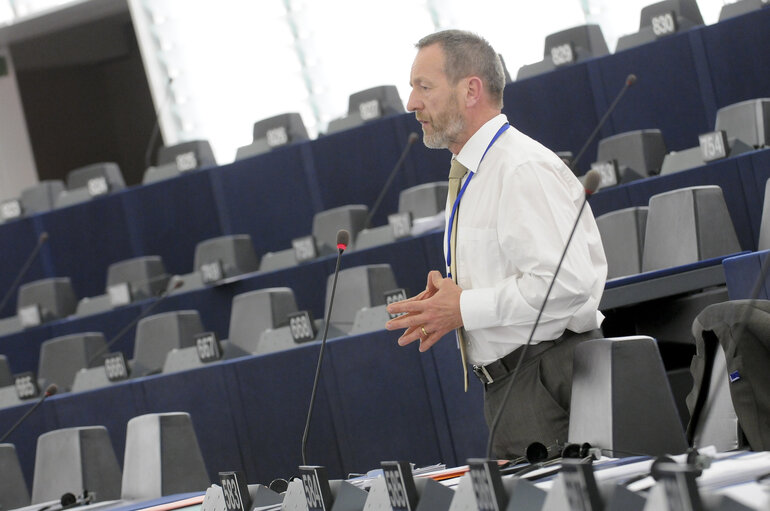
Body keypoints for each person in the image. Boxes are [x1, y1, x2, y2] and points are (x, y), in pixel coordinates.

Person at [385, 29, 608, 458]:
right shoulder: (472, 172)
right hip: (508, 386)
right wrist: (450, 300)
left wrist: (464, 307)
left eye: (424, 87)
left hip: (547, 378)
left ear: (471, 90)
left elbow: (567, 284)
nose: (411, 103)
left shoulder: (520, 168)